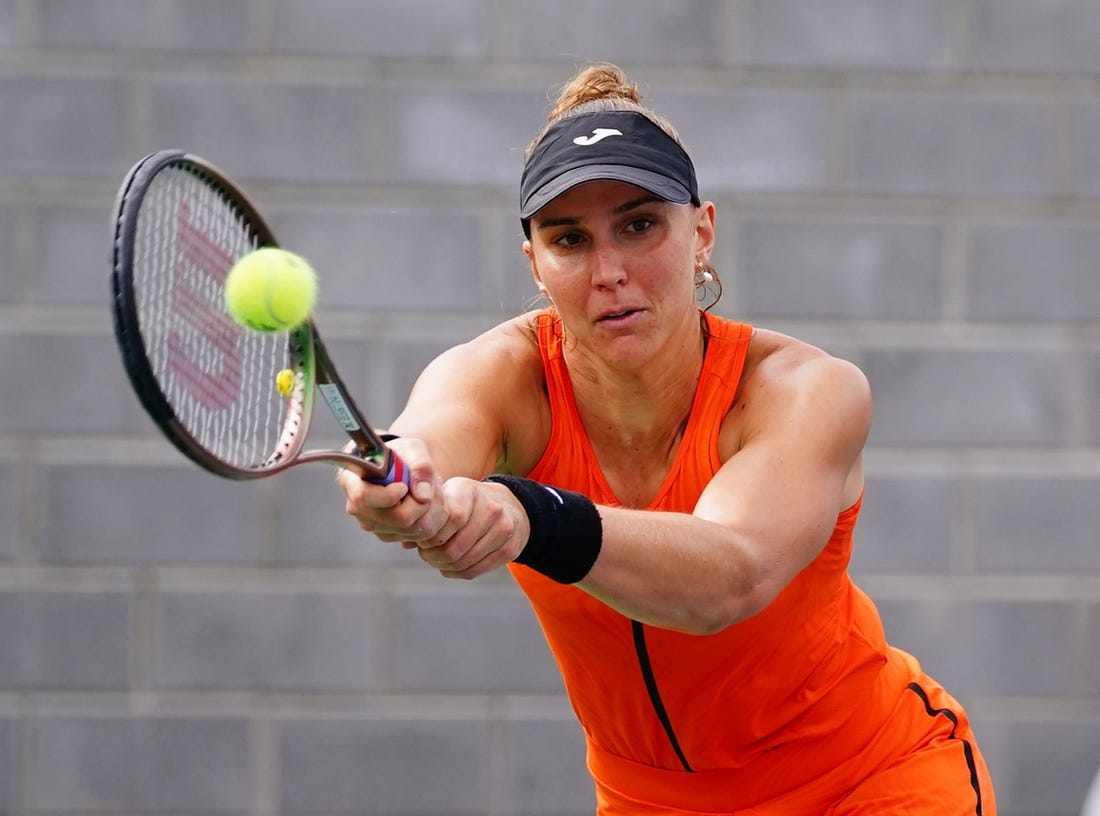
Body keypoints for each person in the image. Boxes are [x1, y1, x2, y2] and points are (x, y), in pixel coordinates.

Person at [337, 62, 997, 815]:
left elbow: (731, 578)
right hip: (649, 798)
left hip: (868, 778)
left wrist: (529, 518)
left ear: (701, 233)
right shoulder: (503, 376)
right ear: (536, 264)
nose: (609, 270)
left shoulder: (803, 389)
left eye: (639, 224)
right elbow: (424, 442)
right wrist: (400, 482)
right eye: (569, 239)